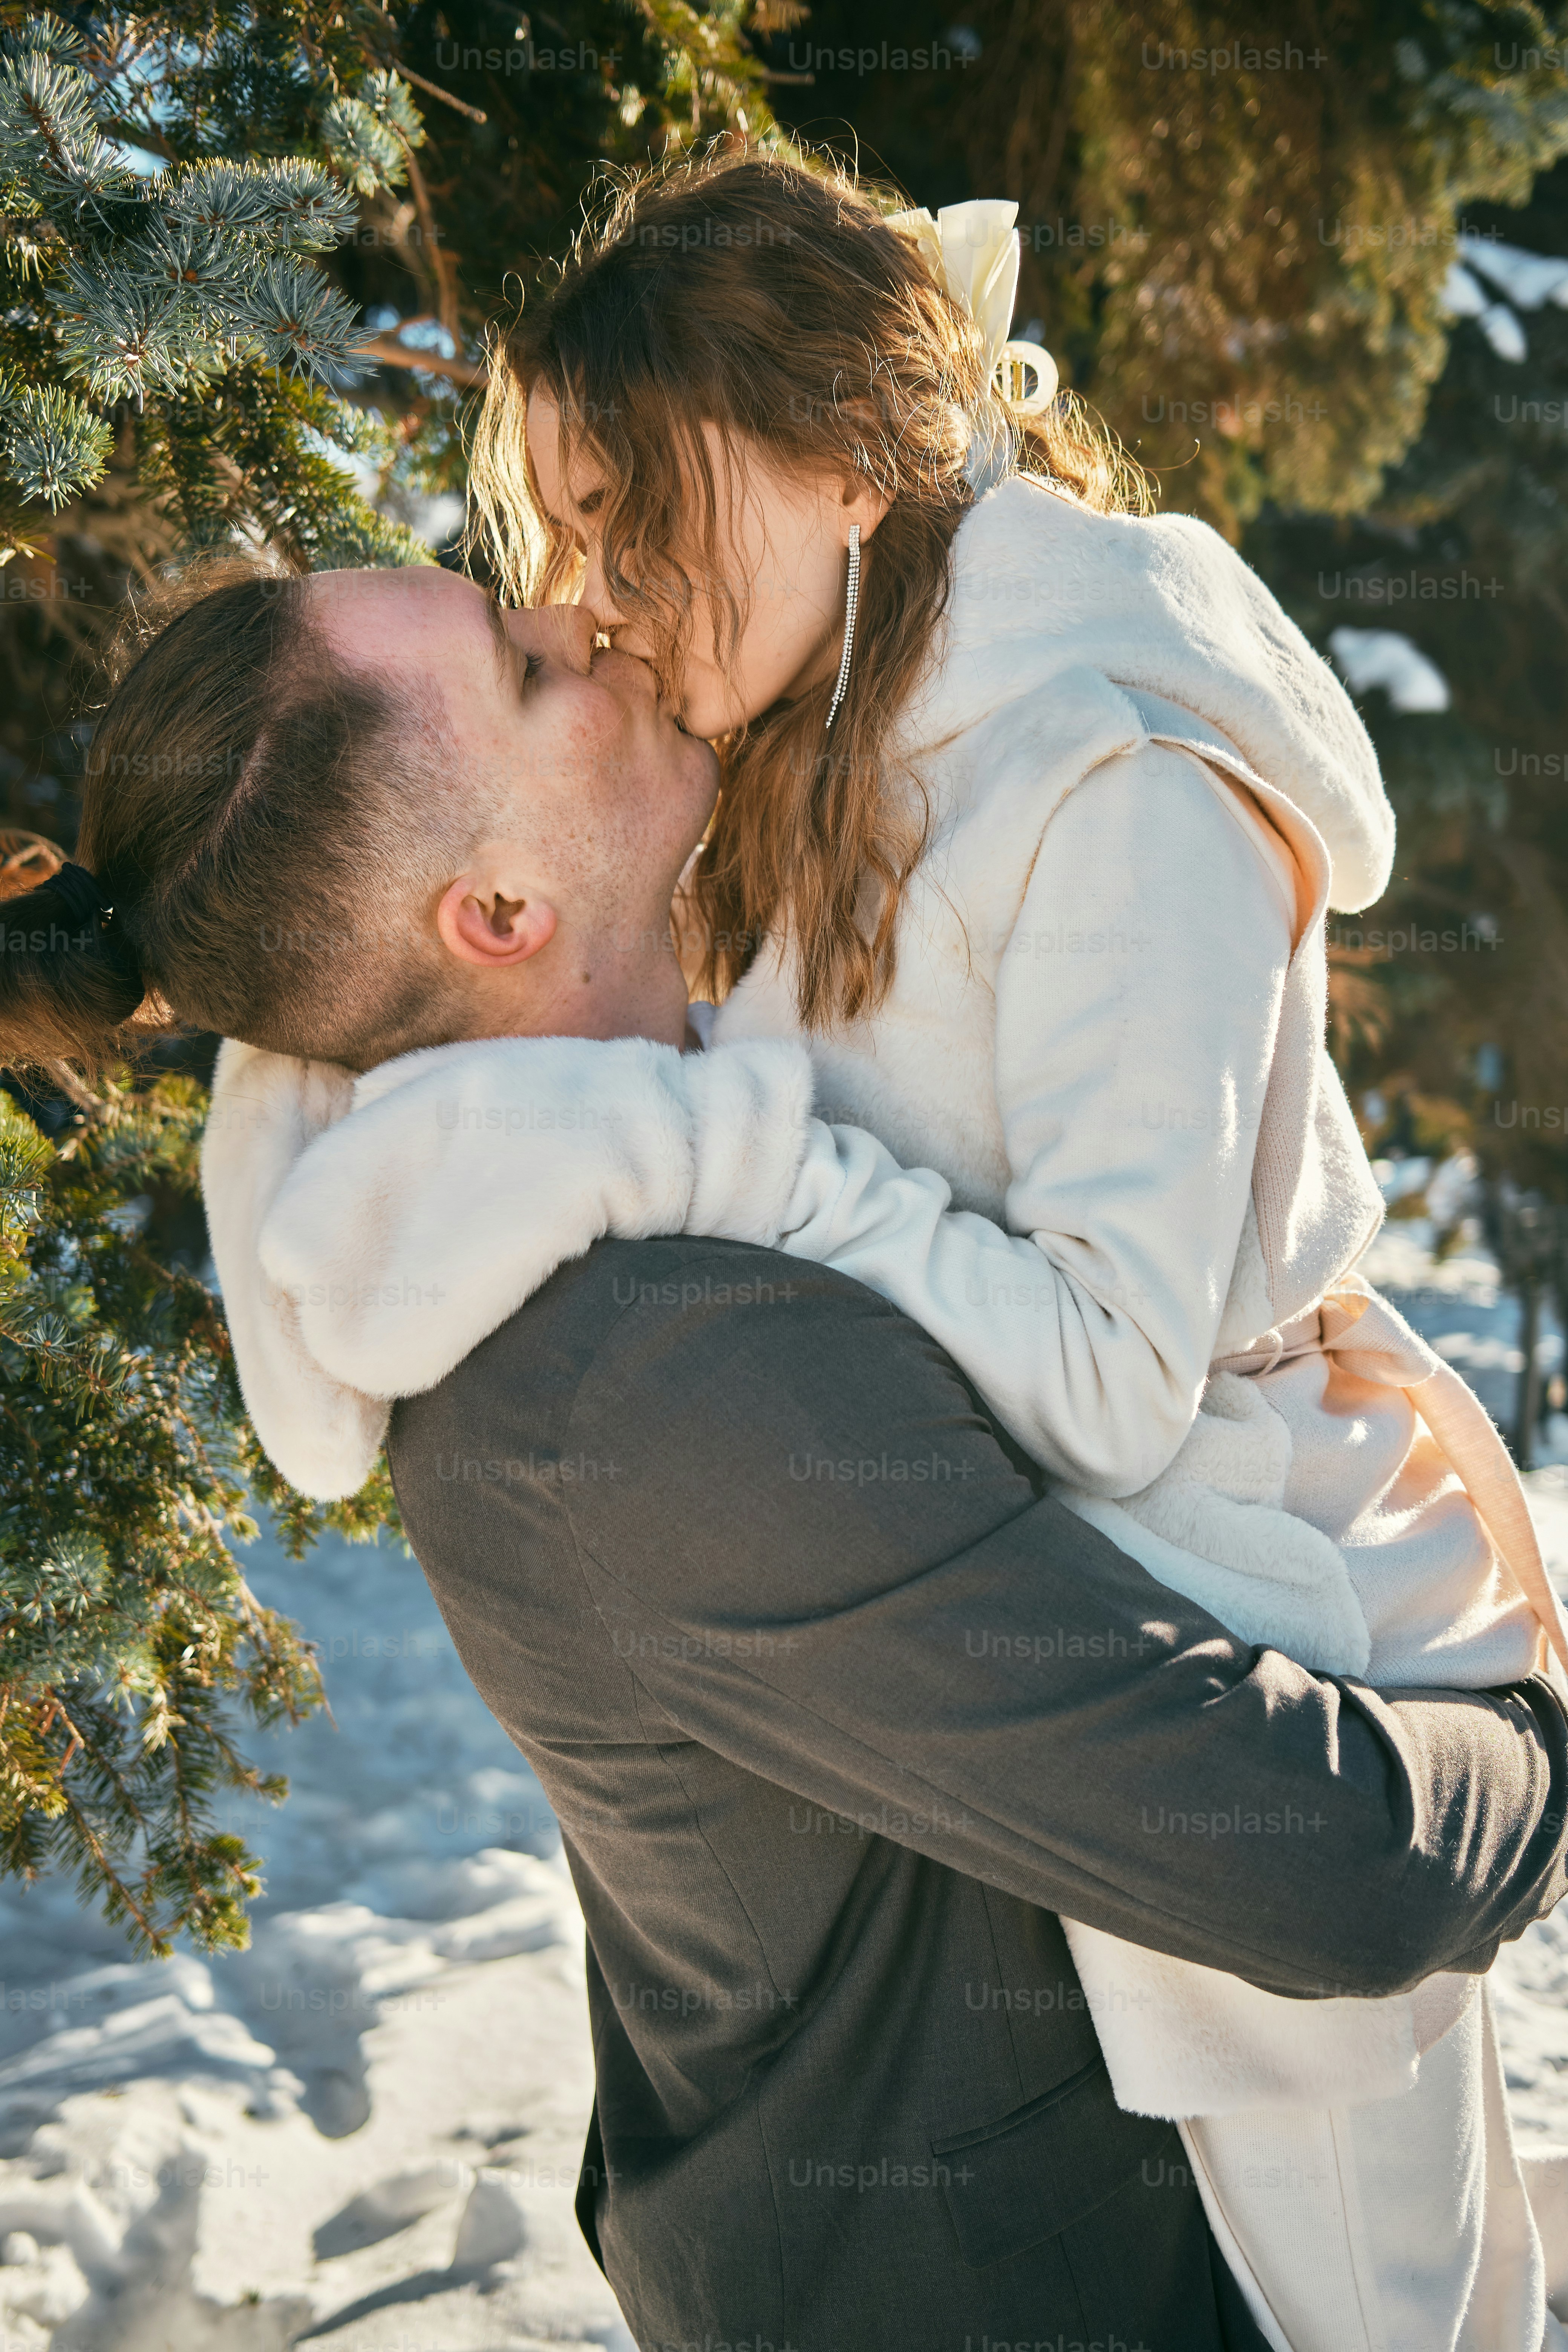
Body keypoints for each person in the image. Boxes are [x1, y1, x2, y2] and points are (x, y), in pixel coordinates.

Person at [2, 555, 1568, 2352]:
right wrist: (1532, 1733)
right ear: (498, 911)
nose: (579, 618)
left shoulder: (586, 1185)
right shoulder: (652, 1384)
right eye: (522, 668)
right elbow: (1331, 1866)